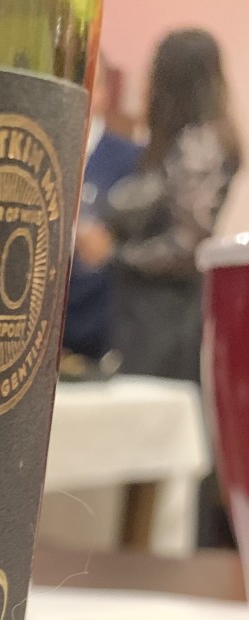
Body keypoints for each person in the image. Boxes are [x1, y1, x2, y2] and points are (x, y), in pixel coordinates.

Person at [77, 28, 242, 382]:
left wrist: (112, 254)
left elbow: (186, 247)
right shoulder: (182, 144)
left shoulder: (200, 148)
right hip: (147, 314)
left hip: (163, 320)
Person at [64, 57, 143, 362]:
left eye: (91, 83)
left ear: (105, 92)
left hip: (98, 326)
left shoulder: (133, 158)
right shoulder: (33, 147)